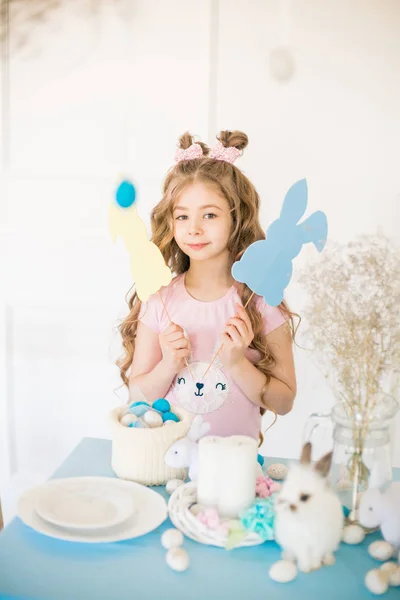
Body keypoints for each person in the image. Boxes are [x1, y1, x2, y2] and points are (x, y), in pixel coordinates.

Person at [118, 130, 298, 442]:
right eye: (183, 216)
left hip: (236, 470)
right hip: (167, 465)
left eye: (210, 215)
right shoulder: (159, 300)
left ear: (237, 218)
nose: (194, 229)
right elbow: (137, 396)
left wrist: (237, 363)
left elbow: (284, 402)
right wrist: (169, 365)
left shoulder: (260, 302)